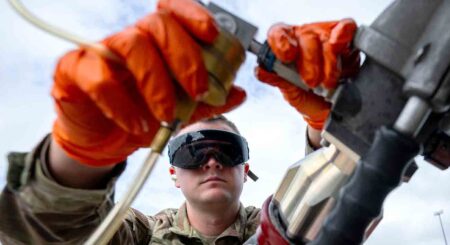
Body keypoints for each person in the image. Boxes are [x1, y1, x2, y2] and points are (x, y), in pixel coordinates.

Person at [0, 0, 359, 244]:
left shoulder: (281, 223)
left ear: (245, 167)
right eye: (192, 151)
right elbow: (48, 235)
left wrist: (340, 122)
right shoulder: (140, 234)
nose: (212, 161)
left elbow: (337, 215)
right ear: (172, 172)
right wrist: (80, 159)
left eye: (227, 151)